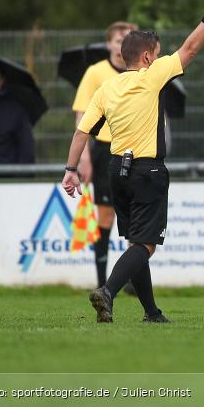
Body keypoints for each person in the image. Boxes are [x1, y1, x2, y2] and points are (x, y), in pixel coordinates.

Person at [61, 0, 204, 323]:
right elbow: (191, 48)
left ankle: (152, 313)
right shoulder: (152, 76)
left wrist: (70, 169)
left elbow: (82, 130)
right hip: (147, 172)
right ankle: (107, 291)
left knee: (135, 243)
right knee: (146, 246)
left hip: (116, 171)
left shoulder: (106, 88)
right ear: (148, 58)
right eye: (158, 53)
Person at [72, 21, 137, 289]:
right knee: (106, 216)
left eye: (128, 38)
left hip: (136, 150)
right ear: (109, 43)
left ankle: (135, 280)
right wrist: (84, 157)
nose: (122, 43)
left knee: (137, 216)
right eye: (118, 39)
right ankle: (103, 282)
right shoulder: (96, 72)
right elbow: (81, 113)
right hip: (104, 150)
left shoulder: (142, 73)